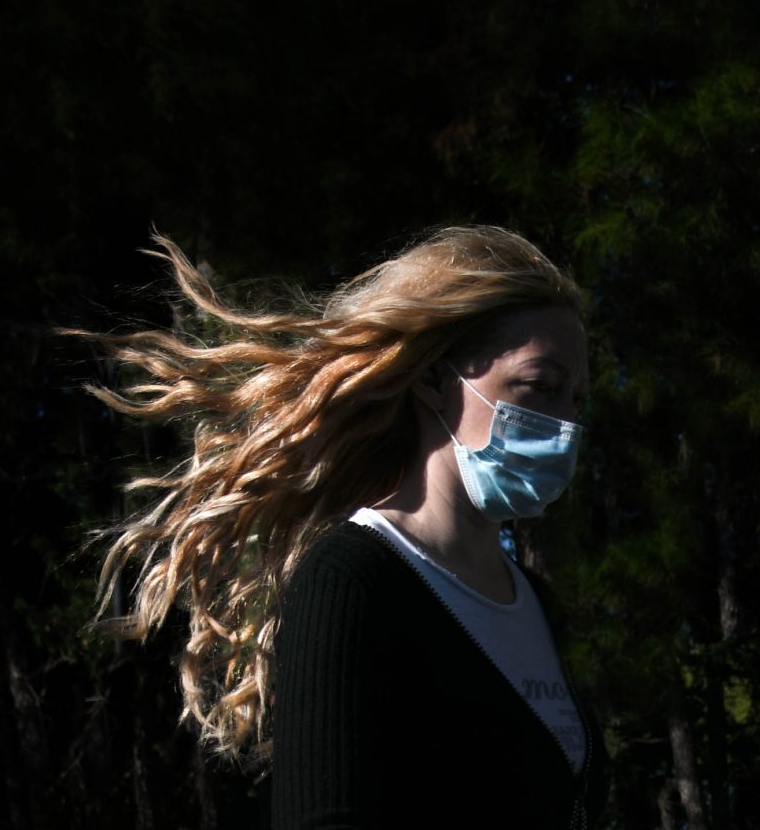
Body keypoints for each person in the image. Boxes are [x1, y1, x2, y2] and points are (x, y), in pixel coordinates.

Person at [70, 225, 608, 829]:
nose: (565, 426)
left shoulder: (537, 604)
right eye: (541, 386)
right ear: (434, 379)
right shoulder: (351, 580)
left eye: (577, 400)